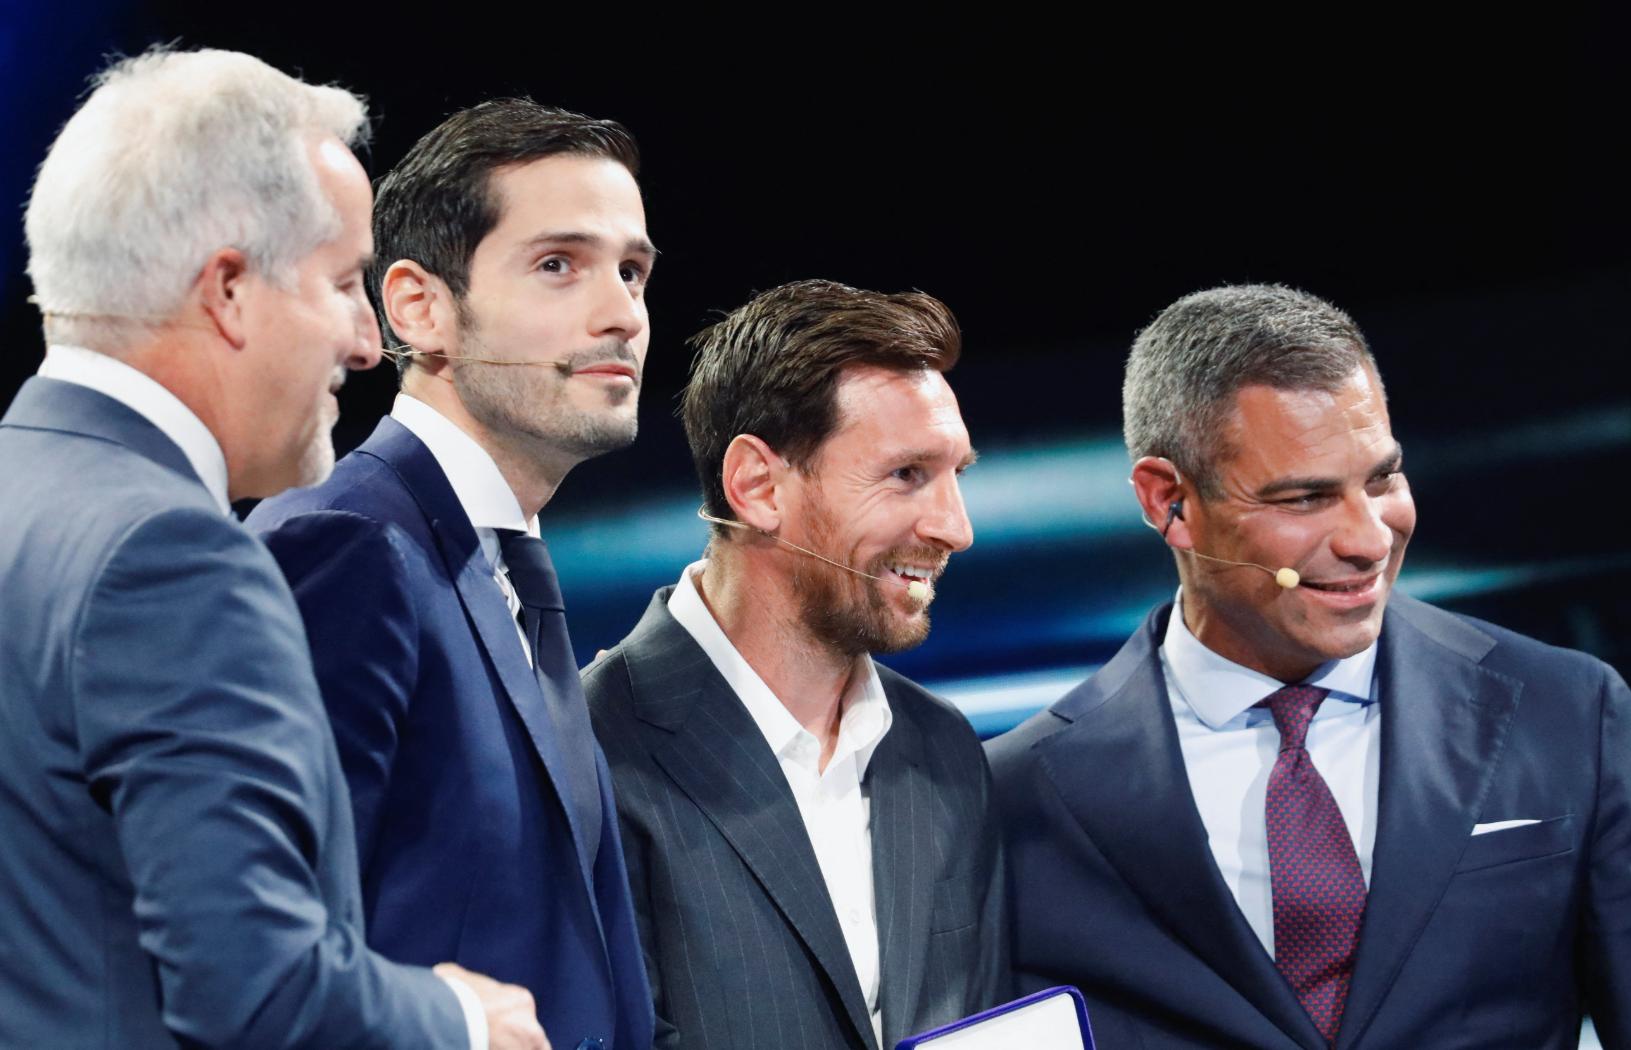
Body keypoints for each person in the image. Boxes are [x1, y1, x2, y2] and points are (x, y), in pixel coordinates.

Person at [0, 49, 545, 1049]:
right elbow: (254, 997)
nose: (364, 342)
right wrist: (466, 1021)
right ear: (229, 291)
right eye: (343, 282)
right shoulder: (170, 557)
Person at [986, 283, 1631, 1049]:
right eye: (1306, 498)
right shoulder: (1017, 795)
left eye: (1381, 479)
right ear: (1170, 502)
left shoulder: (1569, 714)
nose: (1369, 539)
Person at [246, 98, 656, 1050]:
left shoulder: (504, 565)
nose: (621, 313)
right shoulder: (340, 548)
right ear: (419, 307)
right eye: (560, 265)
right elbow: (268, 967)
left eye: (632, 271)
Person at [584, 279, 1006, 1050]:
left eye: (957, 475)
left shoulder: (945, 750)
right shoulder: (584, 754)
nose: (955, 526)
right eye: (906, 474)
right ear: (757, 486)